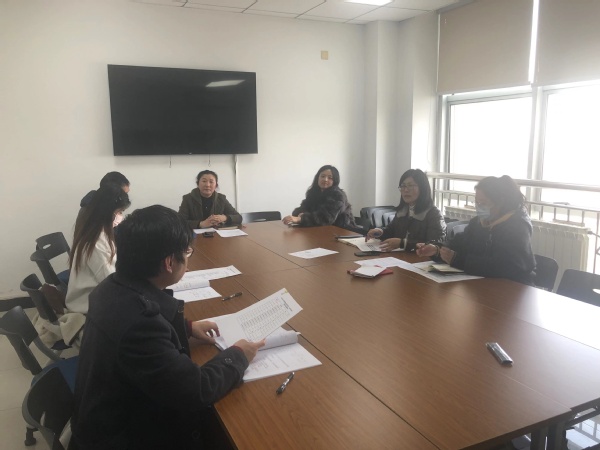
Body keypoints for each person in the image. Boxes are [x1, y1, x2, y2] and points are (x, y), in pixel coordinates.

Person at [70, 205, 264, 449]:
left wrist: (188, 327)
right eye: (187, 251)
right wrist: (238, 355)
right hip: (126, 437)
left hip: (107, 415)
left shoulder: (110, 287)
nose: (188, 260)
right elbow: (197, 390)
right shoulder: (140, 324)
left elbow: (141, 327)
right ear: (170, 262)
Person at [416, 175, 535, 285]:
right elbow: (458, 244)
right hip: (483, 284)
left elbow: (505, 266)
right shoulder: (479, 222)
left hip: (514, 287)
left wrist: (458, 260)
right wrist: (437, 250)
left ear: (500, 202)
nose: (478, 207)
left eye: (483, 203)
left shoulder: (518, 226)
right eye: (477, 202)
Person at [65, 183, 131, 314]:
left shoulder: (97, 232)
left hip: (97, 299)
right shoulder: (95, 243)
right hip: (87, 308)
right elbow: (113, 283)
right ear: (107, 212)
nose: (121, 217)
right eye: (119, 212)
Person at [366, 169, 446, 251]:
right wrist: (380, 232)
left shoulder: (434, 214)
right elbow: (391, 230)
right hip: (400, 256)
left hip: (420, 258)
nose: (406, 190)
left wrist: (403, 243)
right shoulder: (403, 211)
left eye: (410, 186)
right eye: (403, 186)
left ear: (422, 188)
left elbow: (436, 244)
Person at [283, 165, 357, 230]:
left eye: (330, 178)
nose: (325, 179)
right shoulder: (313, 193)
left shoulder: (338, 195)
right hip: (322, 231)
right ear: (317, 178)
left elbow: (325, 218)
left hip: (344, 231)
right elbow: (302, 209)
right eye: (322, 176)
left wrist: (301, 219)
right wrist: (299, 214)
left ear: (335, 181)